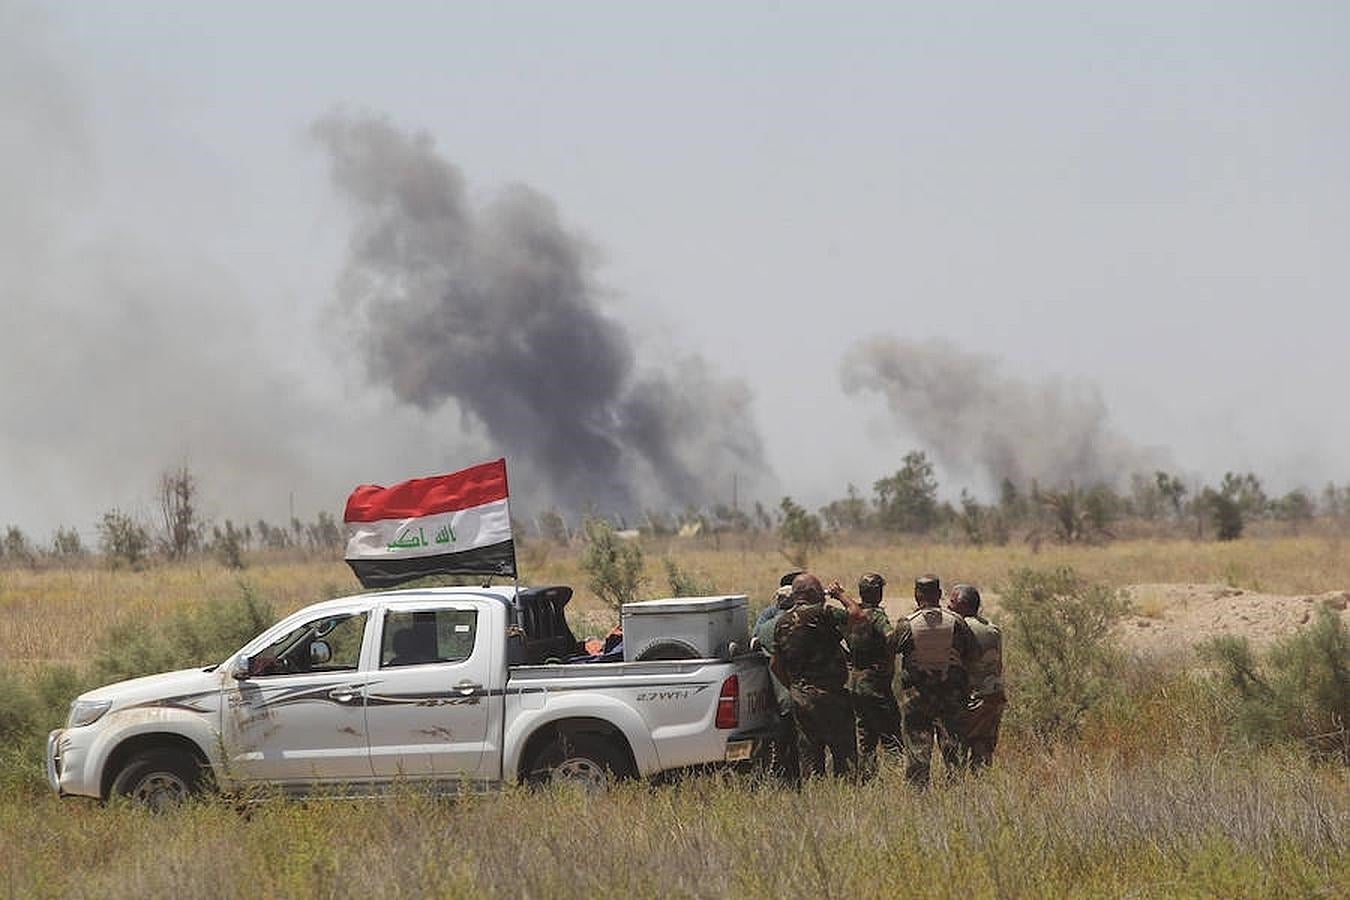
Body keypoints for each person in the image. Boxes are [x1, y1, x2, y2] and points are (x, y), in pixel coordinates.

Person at [770, 573, 862, 780]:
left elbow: (775, 664)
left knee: (810, 752)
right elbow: (857, 615)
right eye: (820, 591)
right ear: (811, 593)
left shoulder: (782, 622)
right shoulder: (823, 613)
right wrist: (840, 595)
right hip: (831, 695)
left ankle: (816, 795)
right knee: (844, 751)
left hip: (801, 697)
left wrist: (794, 687)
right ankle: (846, 795)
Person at [891, 574, 978, 787]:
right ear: (939, 594)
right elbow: (973, 653)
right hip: (952, 697)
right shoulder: (956, 622)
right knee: (953, 748)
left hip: (917, 699)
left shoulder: (907, 624)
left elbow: (891, 648)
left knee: (918, 749)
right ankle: (956, 792)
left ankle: (918, 793)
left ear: (916, 595)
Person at [831, 573, 902, 779]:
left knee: (865, 734)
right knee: (891, 734)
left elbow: (835, 642)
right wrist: (889, 661)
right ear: (879, 593)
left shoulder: (848, 616)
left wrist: (850, 659)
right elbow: (891, 638)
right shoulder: (877, 616)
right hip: (875, 681)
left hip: (854, 681)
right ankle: (897, 776)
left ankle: (866, 777)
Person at [948, 584, 1005, 770]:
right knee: (983, 749)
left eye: (952, 602)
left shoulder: (959, 628)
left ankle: (957, 789)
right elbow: (998, 665)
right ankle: (980, 791)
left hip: (972, 699)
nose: (948, 606)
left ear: (963, 605)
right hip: (993, 697)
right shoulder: (992, 629)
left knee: (957, 748)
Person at [749, 585, 800, 785]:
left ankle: (785, 779)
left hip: (778, 696)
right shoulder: (800, 623)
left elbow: (754, 645)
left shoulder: (764, 628)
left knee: (782, 742)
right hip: (805, 690)